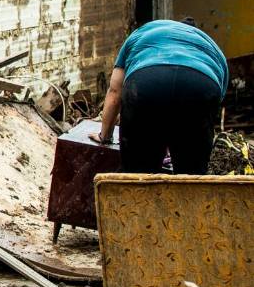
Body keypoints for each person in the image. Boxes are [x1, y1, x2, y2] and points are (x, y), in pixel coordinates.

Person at [89, 19, 228, 174]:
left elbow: (115, 93)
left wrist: (105, 136)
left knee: (138, 177)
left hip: (147, 82)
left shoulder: (144, 33)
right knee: (191, 178)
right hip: (201, 85)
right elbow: (210, 108)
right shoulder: (212, 48)